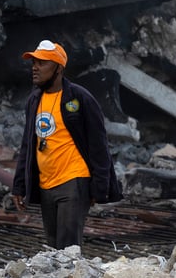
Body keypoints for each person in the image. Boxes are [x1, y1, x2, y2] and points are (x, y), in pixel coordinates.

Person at [11, 39, 123, 249]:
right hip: (46, 183)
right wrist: (19, 185)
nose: (35, 67)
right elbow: (27, 145)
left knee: (68, 247)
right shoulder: (34, 100)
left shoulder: (80, 98)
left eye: (42, 63)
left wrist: (99, 188)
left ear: (59, 68)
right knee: (53, 247)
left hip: (73, 180)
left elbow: (99, 145)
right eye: (33, 62)